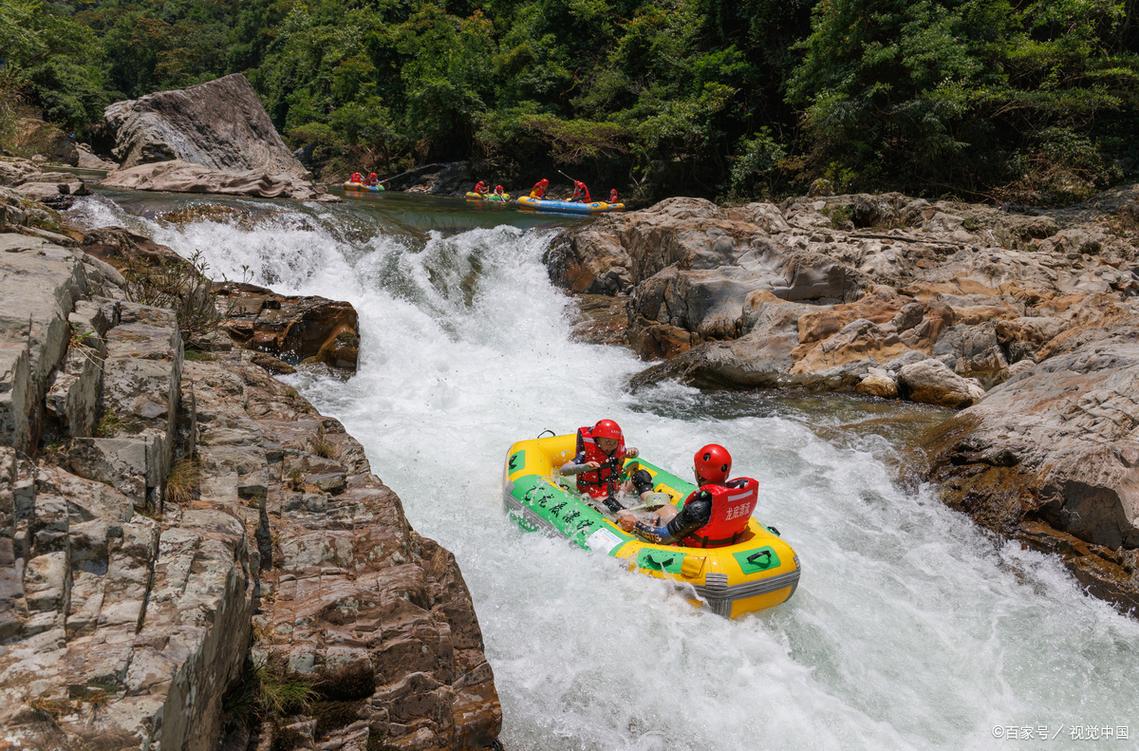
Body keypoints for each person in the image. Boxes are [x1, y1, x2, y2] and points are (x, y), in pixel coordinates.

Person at [617, 444, 758, 547]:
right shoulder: (735, 496)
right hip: (722, 543)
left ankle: (632, 495)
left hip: (693, 551)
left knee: (648, 517)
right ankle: (645, 494)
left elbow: (663, 537)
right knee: (669, 510)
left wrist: (636, 525)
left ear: (700, 474)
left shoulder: (698, 508)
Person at [560, 419, 648, 513]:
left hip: (616, 489)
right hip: (596, 494)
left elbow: (634, 453)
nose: (611, 446)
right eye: (607, 442)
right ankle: (626, 515)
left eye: (614, 443)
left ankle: (650, 499)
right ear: (597, 440)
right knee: (610, 502)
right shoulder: (585, 454)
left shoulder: (616, 449)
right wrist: (584, 467)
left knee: (642, 475)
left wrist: (634, 452)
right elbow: (563, 470)